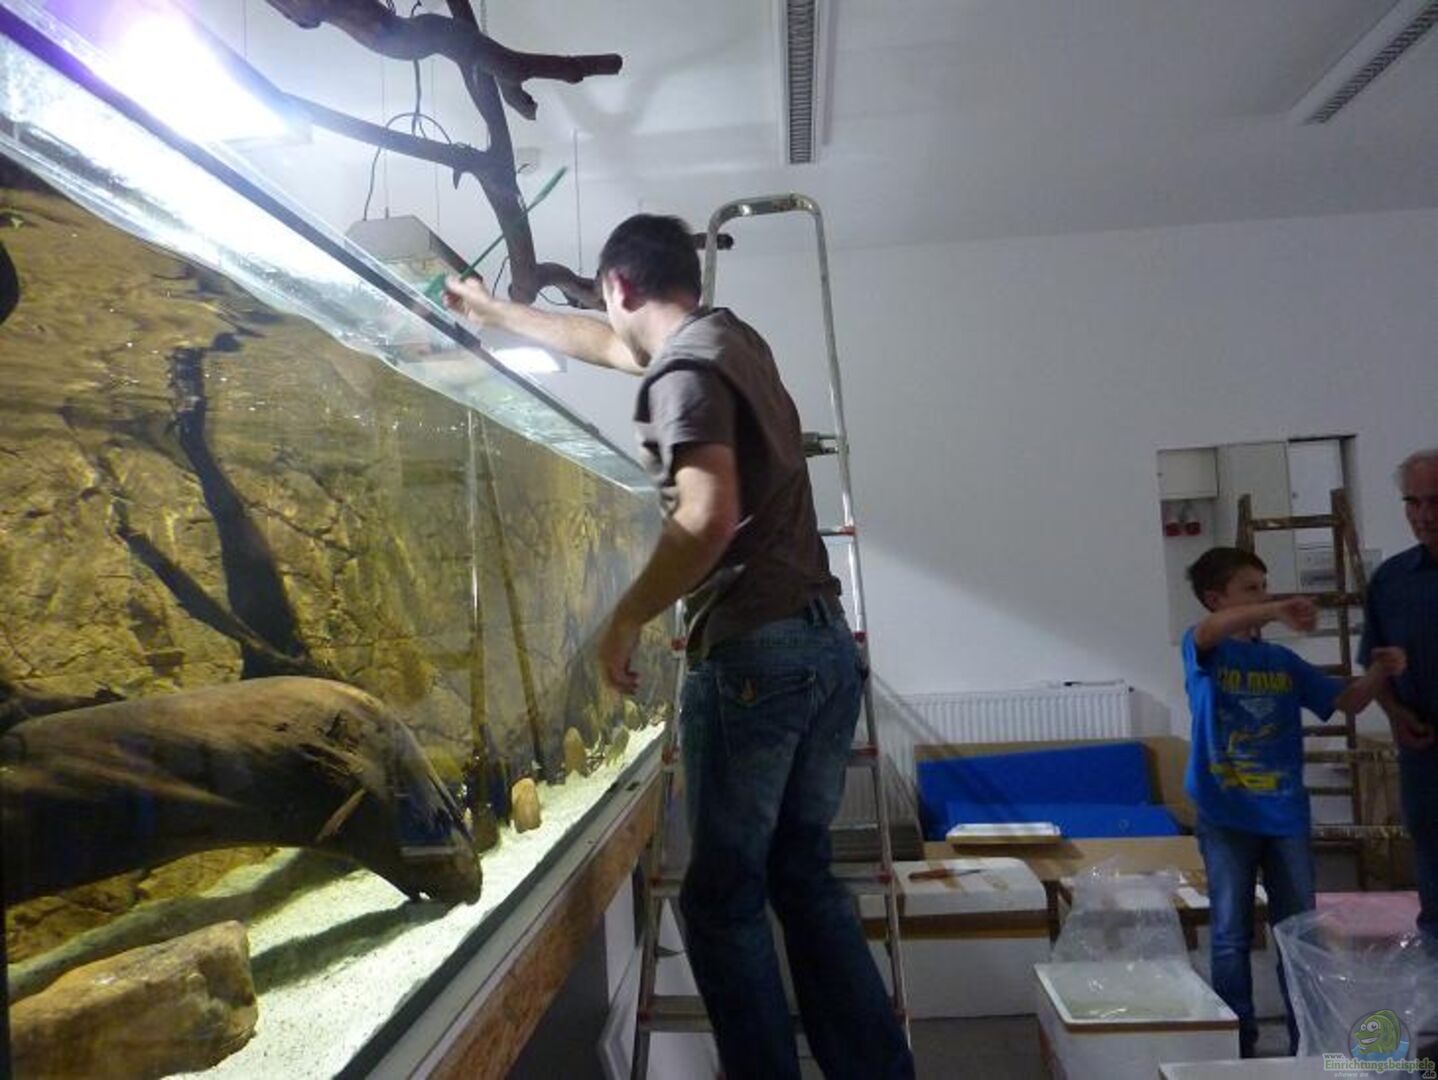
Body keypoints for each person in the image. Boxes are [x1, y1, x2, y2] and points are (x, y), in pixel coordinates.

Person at [443, 215, 913, 1080]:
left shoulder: (684, 373)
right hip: (822, 646)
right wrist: (497, 311)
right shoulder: (727, 343)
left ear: (617, 285)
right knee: (803, 879)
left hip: (756, 660)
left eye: (604, 301)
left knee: (722, 904)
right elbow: (606, 344)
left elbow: (706, 516)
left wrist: (625, 617)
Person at [1181, 546, 1406, 1057]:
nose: (1264, 596)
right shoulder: (1205, 650)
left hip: (1285, 816)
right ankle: (1238, 1044)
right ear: (1216, 599)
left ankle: (1308, 1041)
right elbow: (1209, 631)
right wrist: (1276, 609)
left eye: (1266, 587)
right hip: (1226, 815)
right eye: (1250, 589)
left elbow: (1346, 701)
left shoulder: (1281, 662)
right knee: (1230, 934)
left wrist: (1379, 672)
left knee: (1299, 934)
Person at [1361, 448, 1438, 938]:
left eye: (1436, 501)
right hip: (1424, 750)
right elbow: (1375, 666)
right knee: (1431, 860)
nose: (1424, 515)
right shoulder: (1391, 581)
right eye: (1413, 502)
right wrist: (1394, 714)